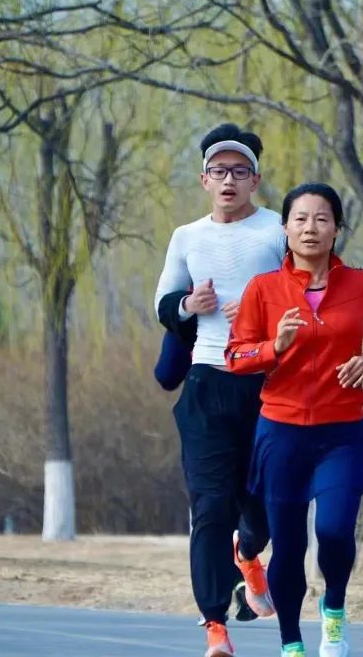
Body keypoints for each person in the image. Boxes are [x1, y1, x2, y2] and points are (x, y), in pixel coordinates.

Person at [226, 183, 363, 657]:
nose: (310, 228)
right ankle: (292, 643)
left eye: (322, 219)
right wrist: (274, 347)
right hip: (281, 434)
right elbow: (236, 355)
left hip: (341, 432)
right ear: (285, 228)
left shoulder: (360, 284)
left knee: (335, 531)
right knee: (289, 545)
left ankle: (334, 612)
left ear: (337, 228)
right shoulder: (263, 289)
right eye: (300, 219)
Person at [153, 123, 285, 657]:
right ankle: (214, 625)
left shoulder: (278, 231)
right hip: (207, 383)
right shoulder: (187, 237)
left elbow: (308, 299)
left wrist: (260, 311)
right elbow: (163, 303)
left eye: (239, 171)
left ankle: (248, 554)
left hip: (269, 385)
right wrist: (190, 305)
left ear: (255, 179)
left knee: (268, 506)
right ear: (204, 179)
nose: (228, 180)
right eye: (218, 171)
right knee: (209, 507)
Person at [153, 288, 258, 624]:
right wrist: (186, 309)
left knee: (222, 507)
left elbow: (167, 374)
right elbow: (166, 373)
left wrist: (189, 313)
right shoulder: (271, 293)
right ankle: (227, 591)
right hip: (238, 409)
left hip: (236, 409)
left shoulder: (204, 302)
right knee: (221, 506)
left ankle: (239, 568)